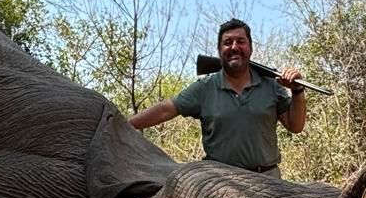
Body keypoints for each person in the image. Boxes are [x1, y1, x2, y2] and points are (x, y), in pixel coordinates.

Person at [128, 19, 306, 175]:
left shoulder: (271, 85)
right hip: (221, 184)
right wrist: (127, 124)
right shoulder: (205, 87)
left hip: (267, 179)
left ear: (250, 48)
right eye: (227, 42)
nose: (234, 47)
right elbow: (166, 109)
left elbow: (295, 126)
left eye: (240, 41)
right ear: (219, 51)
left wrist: (297, 91)